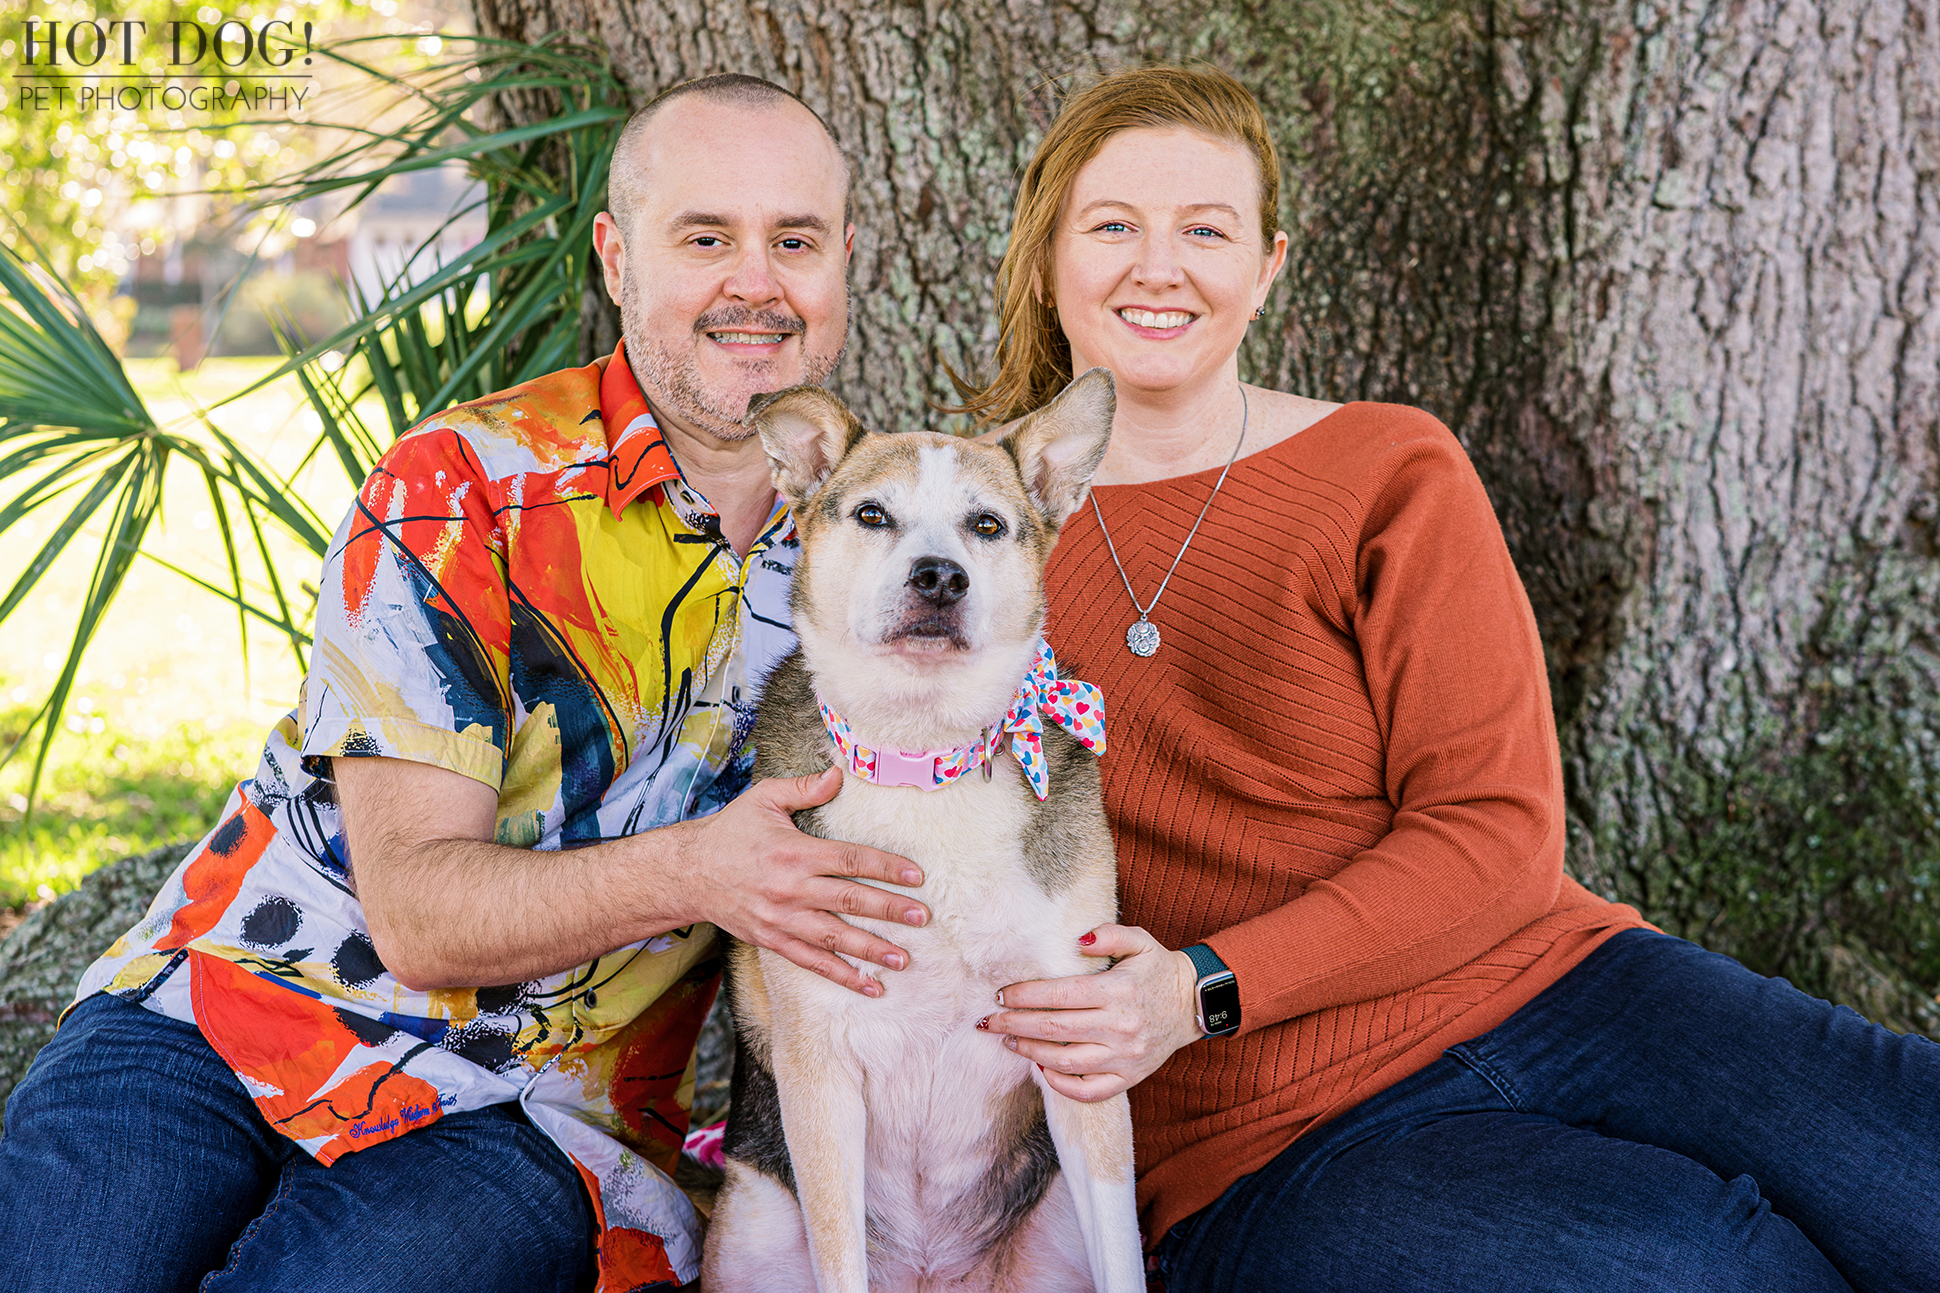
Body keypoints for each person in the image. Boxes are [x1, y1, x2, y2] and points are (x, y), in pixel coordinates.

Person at [967, 64, 1940, 1292]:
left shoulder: (1383, 467)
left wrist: (1201, 985)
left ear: (1267, 267)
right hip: (1265, 1140)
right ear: (1046, 253)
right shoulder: (959, 533)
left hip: (1566, 989)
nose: (1157, 268)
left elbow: (1495, 832)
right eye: (1112, 227)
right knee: (1699, 1269)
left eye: (1202, 230)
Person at [0, 74, 934, 1293]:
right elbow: (420, 918)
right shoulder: (463, 485)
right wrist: (704, 871)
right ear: (616, 257)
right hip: (235, 1003)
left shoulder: (900, 552)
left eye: (794, 241)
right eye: (703, 238)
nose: (753, 282)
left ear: (845, 261)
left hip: (543, 1104)